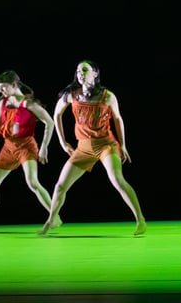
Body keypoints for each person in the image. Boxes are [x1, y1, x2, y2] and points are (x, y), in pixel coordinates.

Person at [38, 60, 146, 236]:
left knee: (117, 180)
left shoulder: (107, 96)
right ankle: (51, 220)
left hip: (106, 145)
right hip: (83, 148)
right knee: (60, 186)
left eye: (84, 70)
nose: (80, 74)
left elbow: (118, 119)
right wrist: (63, 142)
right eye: (78, 71)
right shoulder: (71, 95)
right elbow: (57, 114)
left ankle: (140, 219)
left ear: (95, 74)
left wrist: (123, 145)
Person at [0, 70, 55, 228]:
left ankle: (54, 215)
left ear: (14, 85)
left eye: (3, 87)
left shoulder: (29, 104)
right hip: (8, 147)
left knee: (33, 182)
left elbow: (50, 123)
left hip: (26, 146)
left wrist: (44, 147)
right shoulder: (3, 103)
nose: (0, 90)